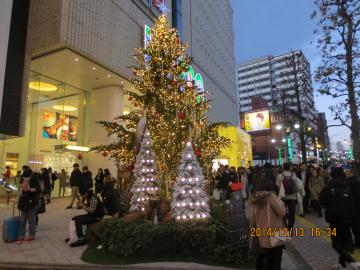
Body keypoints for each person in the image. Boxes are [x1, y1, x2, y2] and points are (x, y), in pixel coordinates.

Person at [320, 167, 356, 267]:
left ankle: (353, 261)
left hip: (334, 219)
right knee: (345, 241)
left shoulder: (329, 186)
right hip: (347, 218)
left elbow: (322, 201)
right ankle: (342, 264)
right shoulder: (347, 185)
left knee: (336, 244)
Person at [250, 174, 287, 270]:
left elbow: (253, 219)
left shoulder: (255, 197)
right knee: (276, 262)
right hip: (276, 233)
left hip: (262, 234)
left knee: (267, 260)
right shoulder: (270, 196)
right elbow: (282, 212)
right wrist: (281, 203)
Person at [276, 162, 303, 230]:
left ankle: (285, 227)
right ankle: (290, 228)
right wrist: (294, 191)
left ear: (283, 167)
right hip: (292, 197)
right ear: (290, 167)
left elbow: (277, 185)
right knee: (292, 213)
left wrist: (282, 190)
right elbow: (299, 187)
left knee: (283, 213)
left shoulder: (280, 176)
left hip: (283, 197)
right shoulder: (293, 176)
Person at [16, 170, 41, 244]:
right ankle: (21, 237)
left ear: (30, 176)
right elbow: (20, 188)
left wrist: (29, 189)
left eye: (27, 177)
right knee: (23, 221)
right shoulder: (22, 178)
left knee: (31, 220)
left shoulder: (35, 179)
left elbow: (38, 190)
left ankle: (31, 236)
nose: (25, 179)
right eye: (24, 177)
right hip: (24, 202)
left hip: (32, 202)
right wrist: (21, 189)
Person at [345, 168, 360, 249]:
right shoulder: (352, 181)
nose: (345, 173)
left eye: (347, 172)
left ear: (352, 173)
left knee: (356, 226)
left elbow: (355, 196)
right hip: (354, 207)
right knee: (355, 226)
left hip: (354, 208)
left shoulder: (354, 183)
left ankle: (358, 242)